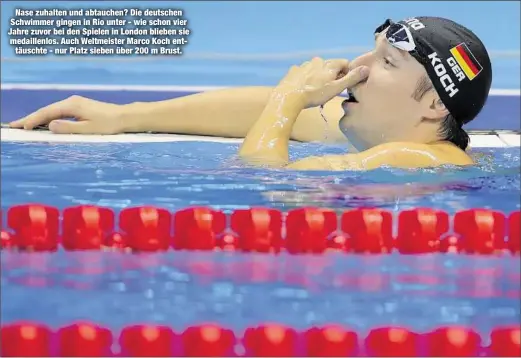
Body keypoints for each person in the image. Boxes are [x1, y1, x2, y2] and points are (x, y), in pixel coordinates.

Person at [8, 16, 492, 171]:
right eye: (372, 50)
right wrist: (127, 115)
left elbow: (266, 178)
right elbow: (262, 113)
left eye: (386, 63)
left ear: (433, 104)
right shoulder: (405, 136)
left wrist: (287, 98)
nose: (358, 66)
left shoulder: (414, 158)